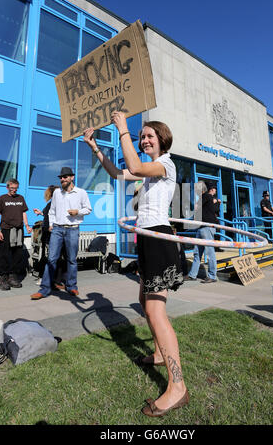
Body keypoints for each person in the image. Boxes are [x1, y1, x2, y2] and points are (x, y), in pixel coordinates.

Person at [83, 112, 188, 418]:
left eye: (148, 136)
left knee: (156, 310)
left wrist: (122, 130)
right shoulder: (148, 171)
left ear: (162, 140)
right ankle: (157, 354)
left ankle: (178, 387)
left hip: (158, 237)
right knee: (144, 300)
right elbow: (118, 173)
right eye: (141, 137)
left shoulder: (165, 164)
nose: (143, 140)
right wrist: (95, 149)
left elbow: (135, 165)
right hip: (147, 239)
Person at [30, 167, 92, 300]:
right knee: (51, 259)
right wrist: (52, 225)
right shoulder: (57, 193)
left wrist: (78, 212)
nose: (62, 179)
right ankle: (44, 289)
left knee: (71, 259)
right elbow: (52, 211)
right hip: (57, 229)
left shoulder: (81, 192)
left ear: (72, 177)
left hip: (73, 229)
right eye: (61, 177)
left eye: (65, 177)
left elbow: (88, 209)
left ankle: (72, 286)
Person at [0, 178, 32, 290]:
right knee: (4, 253)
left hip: (19, 230)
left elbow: (24, 213)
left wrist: (27, 226)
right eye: (12, 188)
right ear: (7, 187)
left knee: (17, 254)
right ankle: (3, 277)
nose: (14, 190)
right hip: (6, 229)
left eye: (16, 188)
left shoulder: (20, 198)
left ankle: (12, 276)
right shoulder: (2, 198)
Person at [184, 182, 218, 283]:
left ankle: (212, 276)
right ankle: (192, 275)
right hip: (202, 227)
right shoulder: (208, 197)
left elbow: (196, 208)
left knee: (210, 252)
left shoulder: (206, 196)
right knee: (197, 252)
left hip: (206, 227)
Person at [33, 185, 66, 285]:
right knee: (51, 257)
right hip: (48, 234)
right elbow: (48, 216)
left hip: (54, 234)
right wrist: (41, 213)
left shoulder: (57, 204)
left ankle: (52, 279)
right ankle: (46, 278)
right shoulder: (51, 204)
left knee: (52, 257)